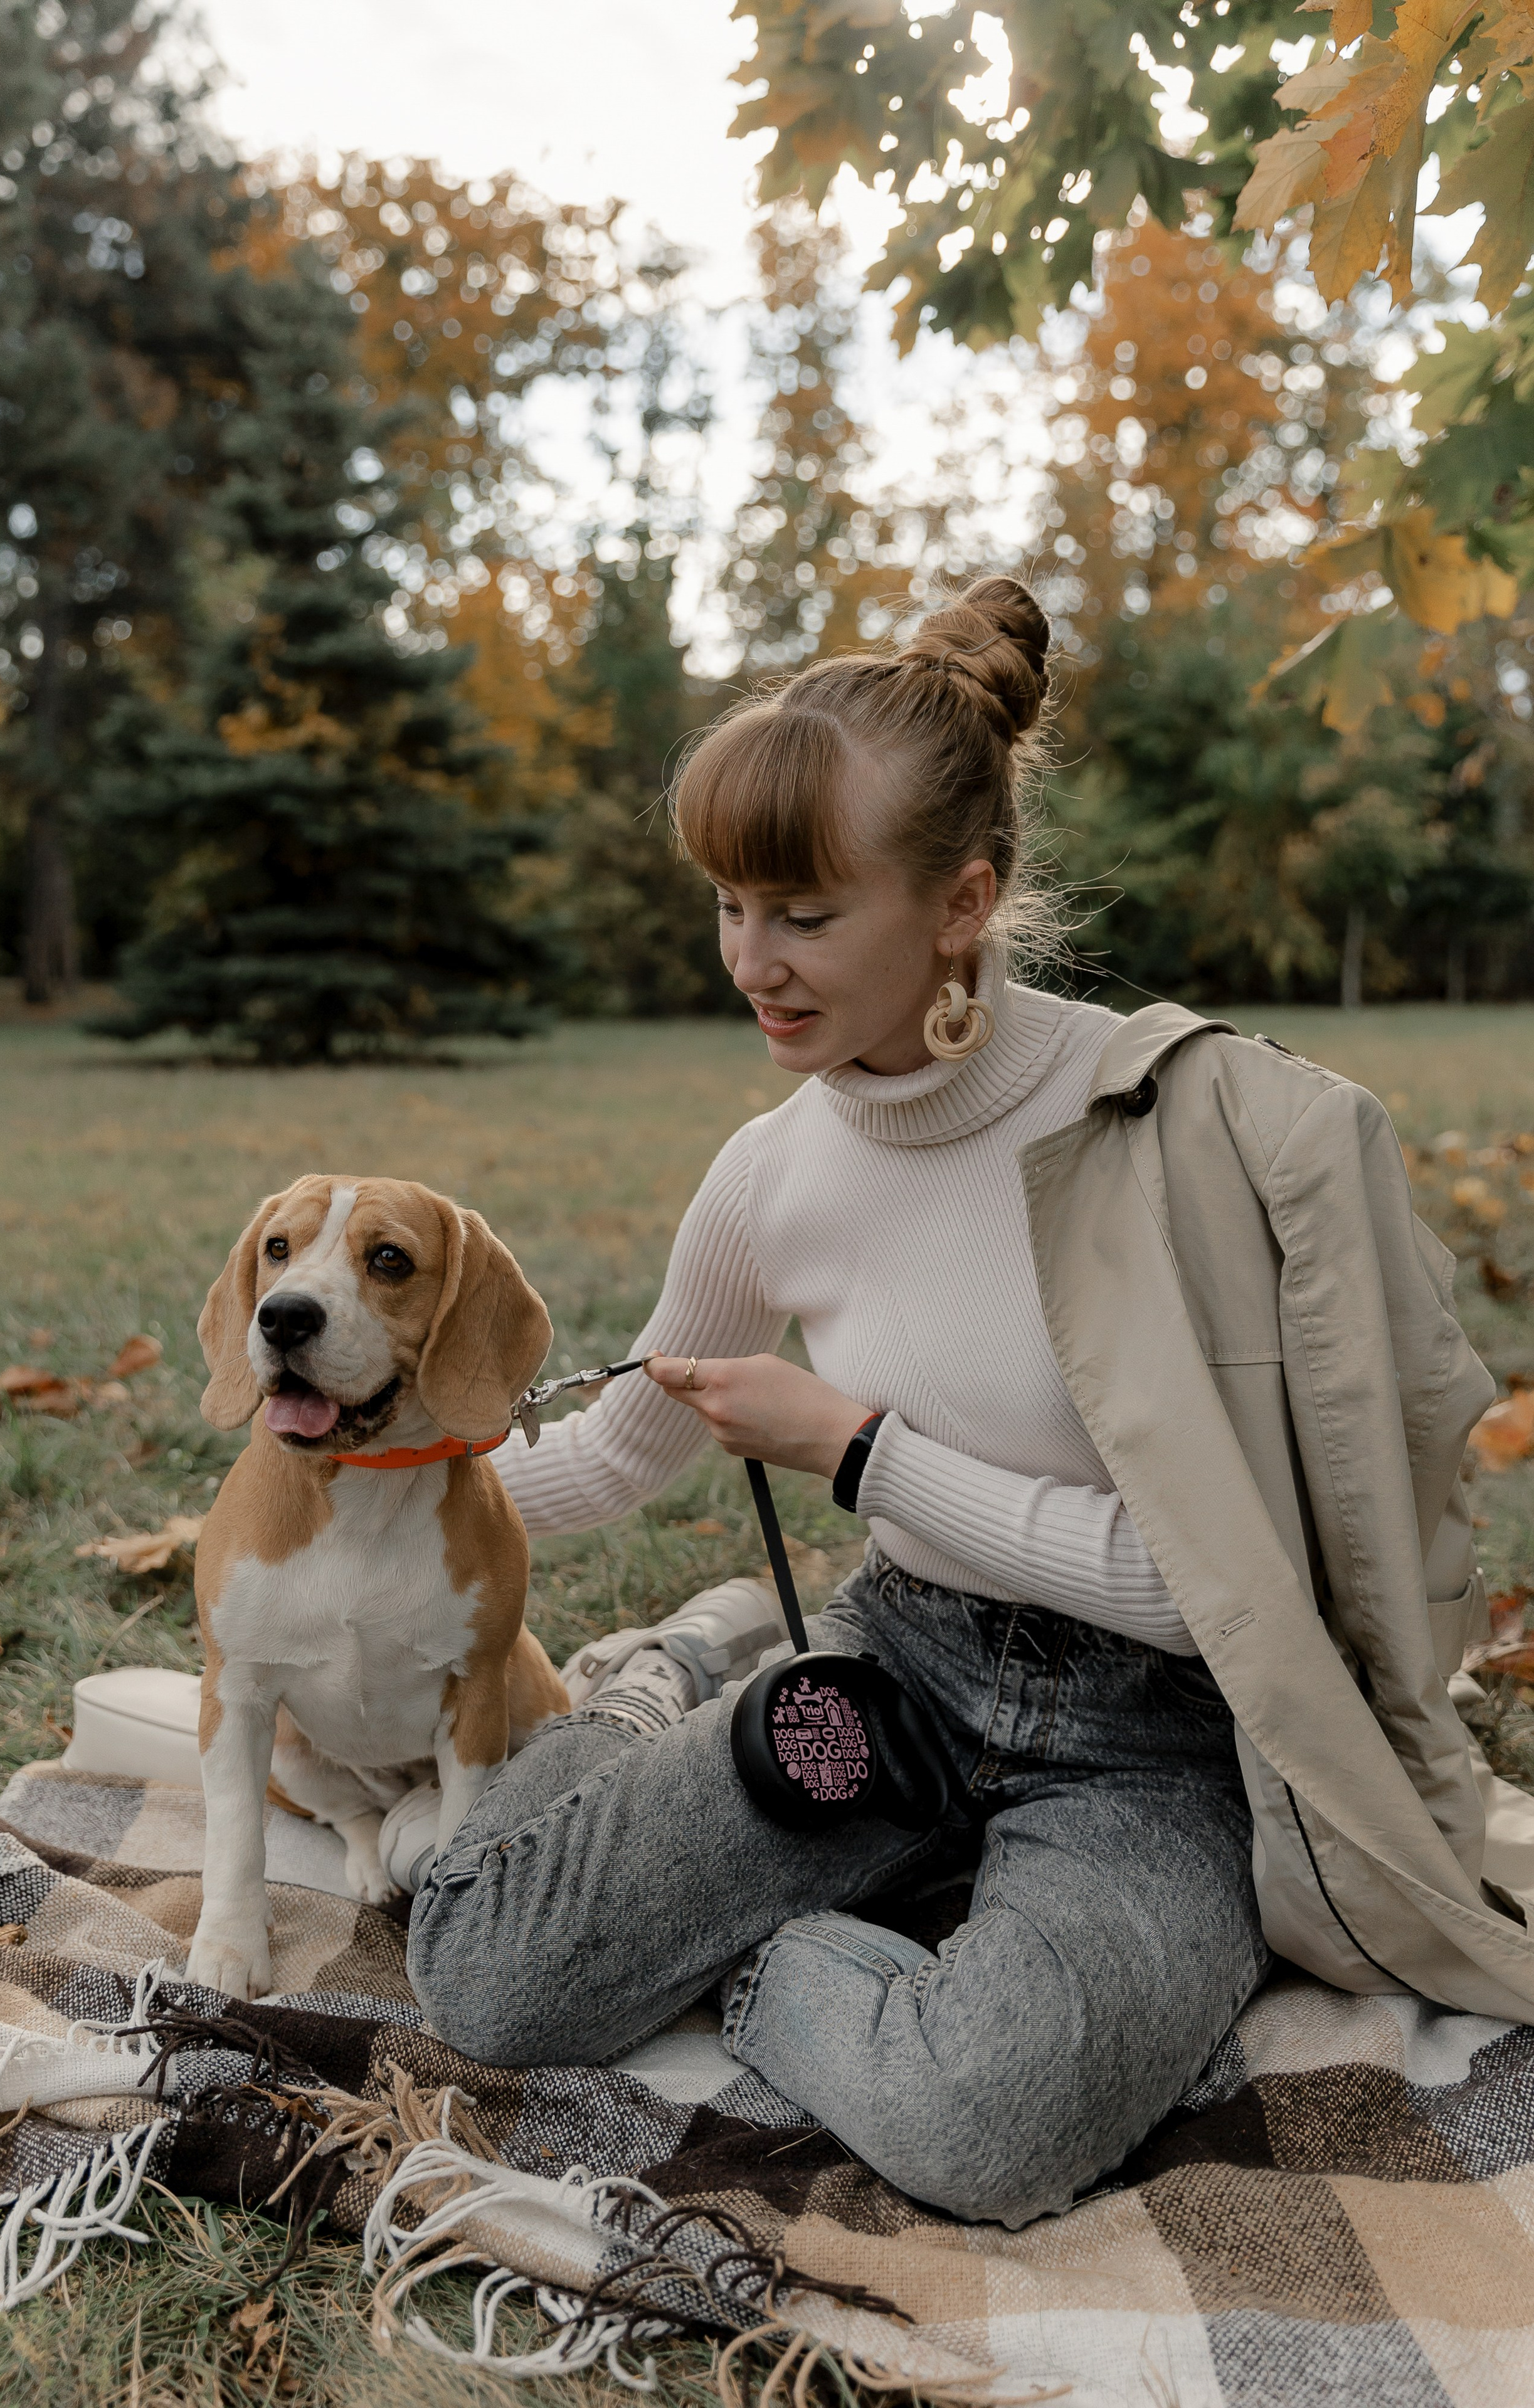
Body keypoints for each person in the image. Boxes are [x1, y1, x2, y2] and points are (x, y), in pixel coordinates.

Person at [392, 573, 1534, 2226]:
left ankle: (788, 1939)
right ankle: (681, 1707)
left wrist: (854, 1449)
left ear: (959, 901)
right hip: (902, 1670)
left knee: (991, 2123)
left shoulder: (1161, 1136)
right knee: (487, 1972)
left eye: (803, 914)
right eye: (729, 905)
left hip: (1157, 1741)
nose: (751, 965)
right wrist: (406, 1459)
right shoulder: (769, 1174)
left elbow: (1212, 1587)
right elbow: (626, 1446)